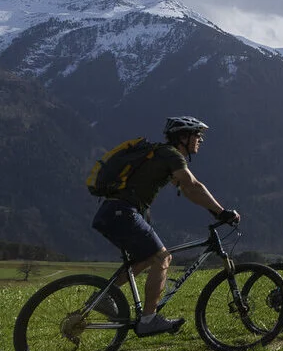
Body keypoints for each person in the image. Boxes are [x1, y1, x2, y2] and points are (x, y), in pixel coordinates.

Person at [91, 116, 240, 336]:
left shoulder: (160, 155)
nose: (200, 140)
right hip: (122, 212)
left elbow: (188, 190)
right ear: (183, 137)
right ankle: (149, 319)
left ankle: (103, 298)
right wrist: (222, 212)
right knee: (162, 257)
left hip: (112, 212)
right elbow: (193, 185)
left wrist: (214, 210)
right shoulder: (171, 155)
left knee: (146, 258)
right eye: (197, 135)